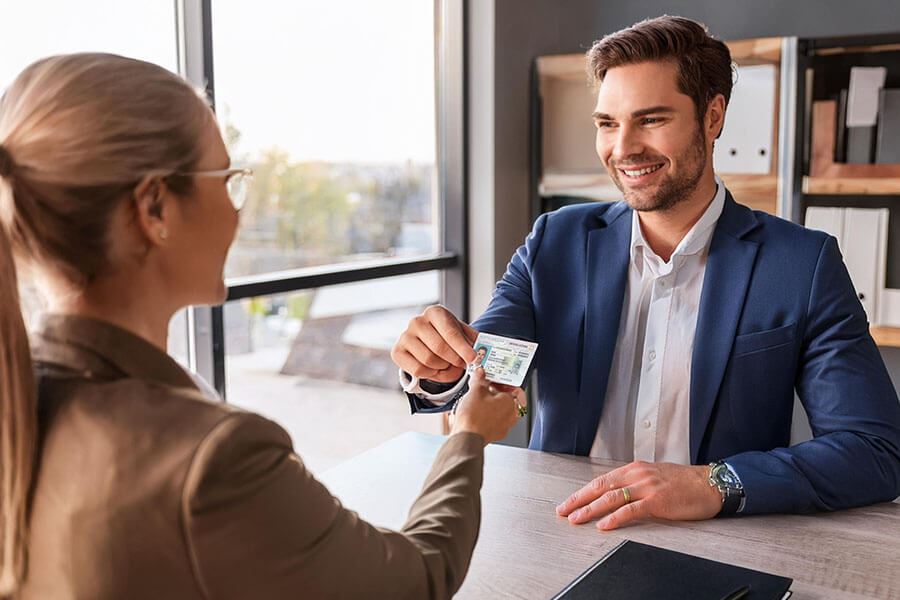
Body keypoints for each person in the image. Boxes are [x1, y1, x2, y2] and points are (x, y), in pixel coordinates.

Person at [0, 53, 523, 599]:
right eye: (227, 180)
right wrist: (468, 437)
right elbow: (418, 580)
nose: (237, 213)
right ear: (155, 207)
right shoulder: (214, 454)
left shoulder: (22, 401)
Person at [392, 16, 900, 531]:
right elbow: (492, 363)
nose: (623, 148)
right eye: (607, 123)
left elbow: (875, 450)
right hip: (564, 530)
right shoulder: (556, 241)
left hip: (721, 540)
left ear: (712, 116)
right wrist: (442, 365)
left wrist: (714, 482)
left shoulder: (802, 264)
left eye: (651, 119)